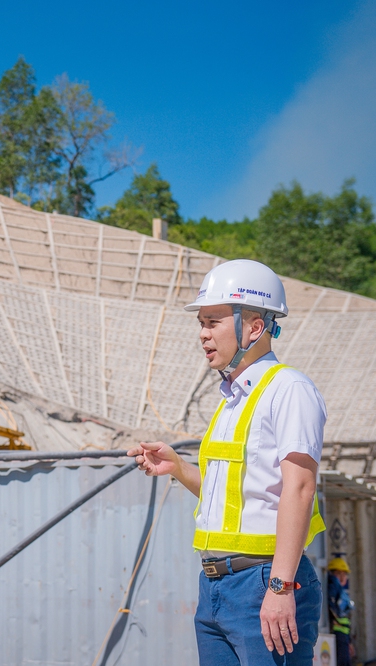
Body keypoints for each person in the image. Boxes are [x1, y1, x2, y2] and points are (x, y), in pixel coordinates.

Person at [127, 259, 326, 665]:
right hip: (216, 587)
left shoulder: (289, 389)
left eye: (214, 321)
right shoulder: (233, 401)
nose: (203, 334)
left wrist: (281, 587)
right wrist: (178, 469)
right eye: (201, 322)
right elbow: (240, 496)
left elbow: (300, 488)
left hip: (265, 582)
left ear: (254, 327)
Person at [327, 557, 353, 666]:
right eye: (338, 573)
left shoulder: (340, 590)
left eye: (344, 574)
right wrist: (333, 619)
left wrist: (350, 641)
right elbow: (330, 603)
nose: (342, 577)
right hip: (338, 633)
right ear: (332, 574)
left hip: (343, 634)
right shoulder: (333, 584)